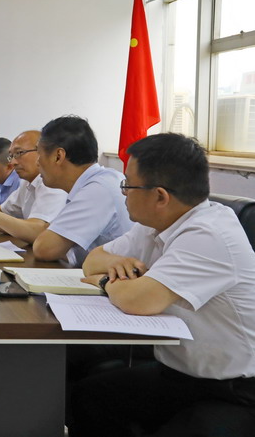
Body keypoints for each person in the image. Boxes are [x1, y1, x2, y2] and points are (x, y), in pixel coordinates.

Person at [68, 133, 255, 437]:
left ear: (160, 196)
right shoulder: (156, 224)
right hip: (181, 374)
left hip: (235, 390)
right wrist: (115, 269)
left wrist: (104, 280)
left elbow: (138, 301)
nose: (123, 193)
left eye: (128, 185)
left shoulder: (209, 234)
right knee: (91, 396)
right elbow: (92, 260)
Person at [32, 116, 132, 266]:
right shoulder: (96, 182)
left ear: (58, 156)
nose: (37, 162)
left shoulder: (99, 189)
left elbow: (44, 249)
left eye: (39, 154)